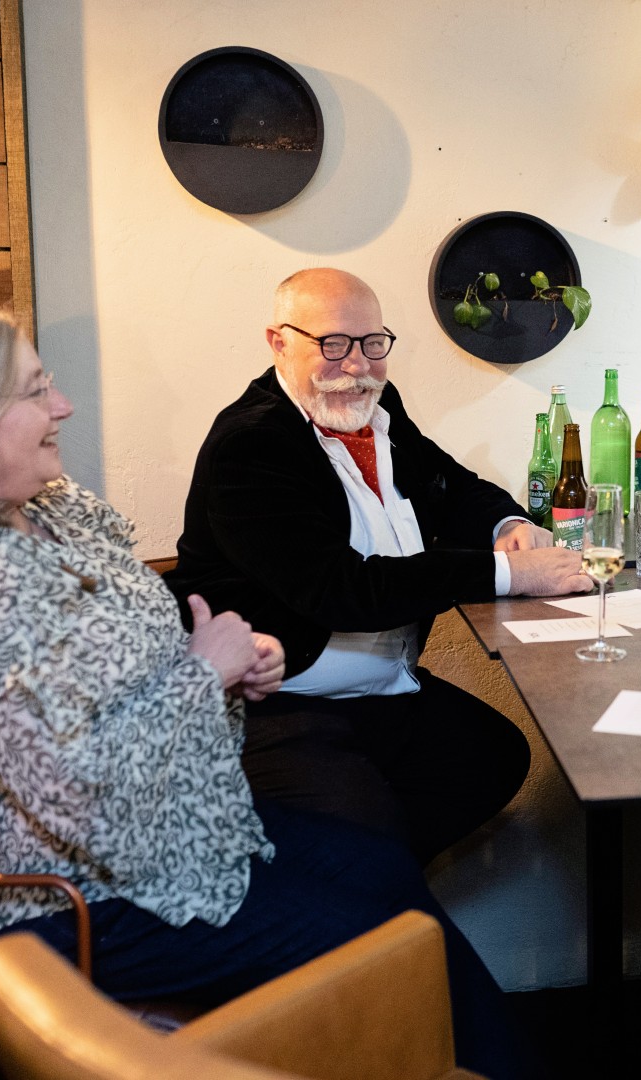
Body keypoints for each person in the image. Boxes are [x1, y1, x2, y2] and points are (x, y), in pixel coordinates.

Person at [0, 296, 524, 1077]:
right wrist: (205, 673)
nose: (62, 406)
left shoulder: (48, 510)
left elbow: (120, 662)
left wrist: (236, 661)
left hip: (193, 833)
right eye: (35, 392)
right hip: (87, 904)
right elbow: (77, 802)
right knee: (399, 946)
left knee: (386, 873)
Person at [168, 268, 592, 869]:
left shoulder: (375, 405)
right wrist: (509, 575)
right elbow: (344, 591)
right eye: (332, 343)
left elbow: (453, 486)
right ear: (279, 342)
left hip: (386, 692)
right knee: (363, 845)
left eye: (372, 343)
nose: (357, 365)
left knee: (493, 756)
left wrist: (506, 525)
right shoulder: (251, 443)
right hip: (281, 706)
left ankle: (369, 892)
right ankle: (359, 899)